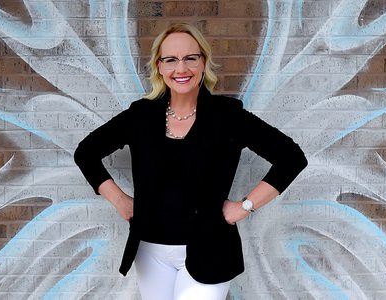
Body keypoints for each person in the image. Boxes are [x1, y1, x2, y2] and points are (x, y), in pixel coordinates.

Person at [74, 22, 307, 300]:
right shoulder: (141, 116)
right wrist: (120, 201)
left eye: (190, 58)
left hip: (210, 250)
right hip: (151, 252)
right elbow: (86, 152)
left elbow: (291, 157)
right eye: (170, 59)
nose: (181, 69)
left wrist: (244, 206)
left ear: (203, 63)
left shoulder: (227, 116)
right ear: (159, 66)